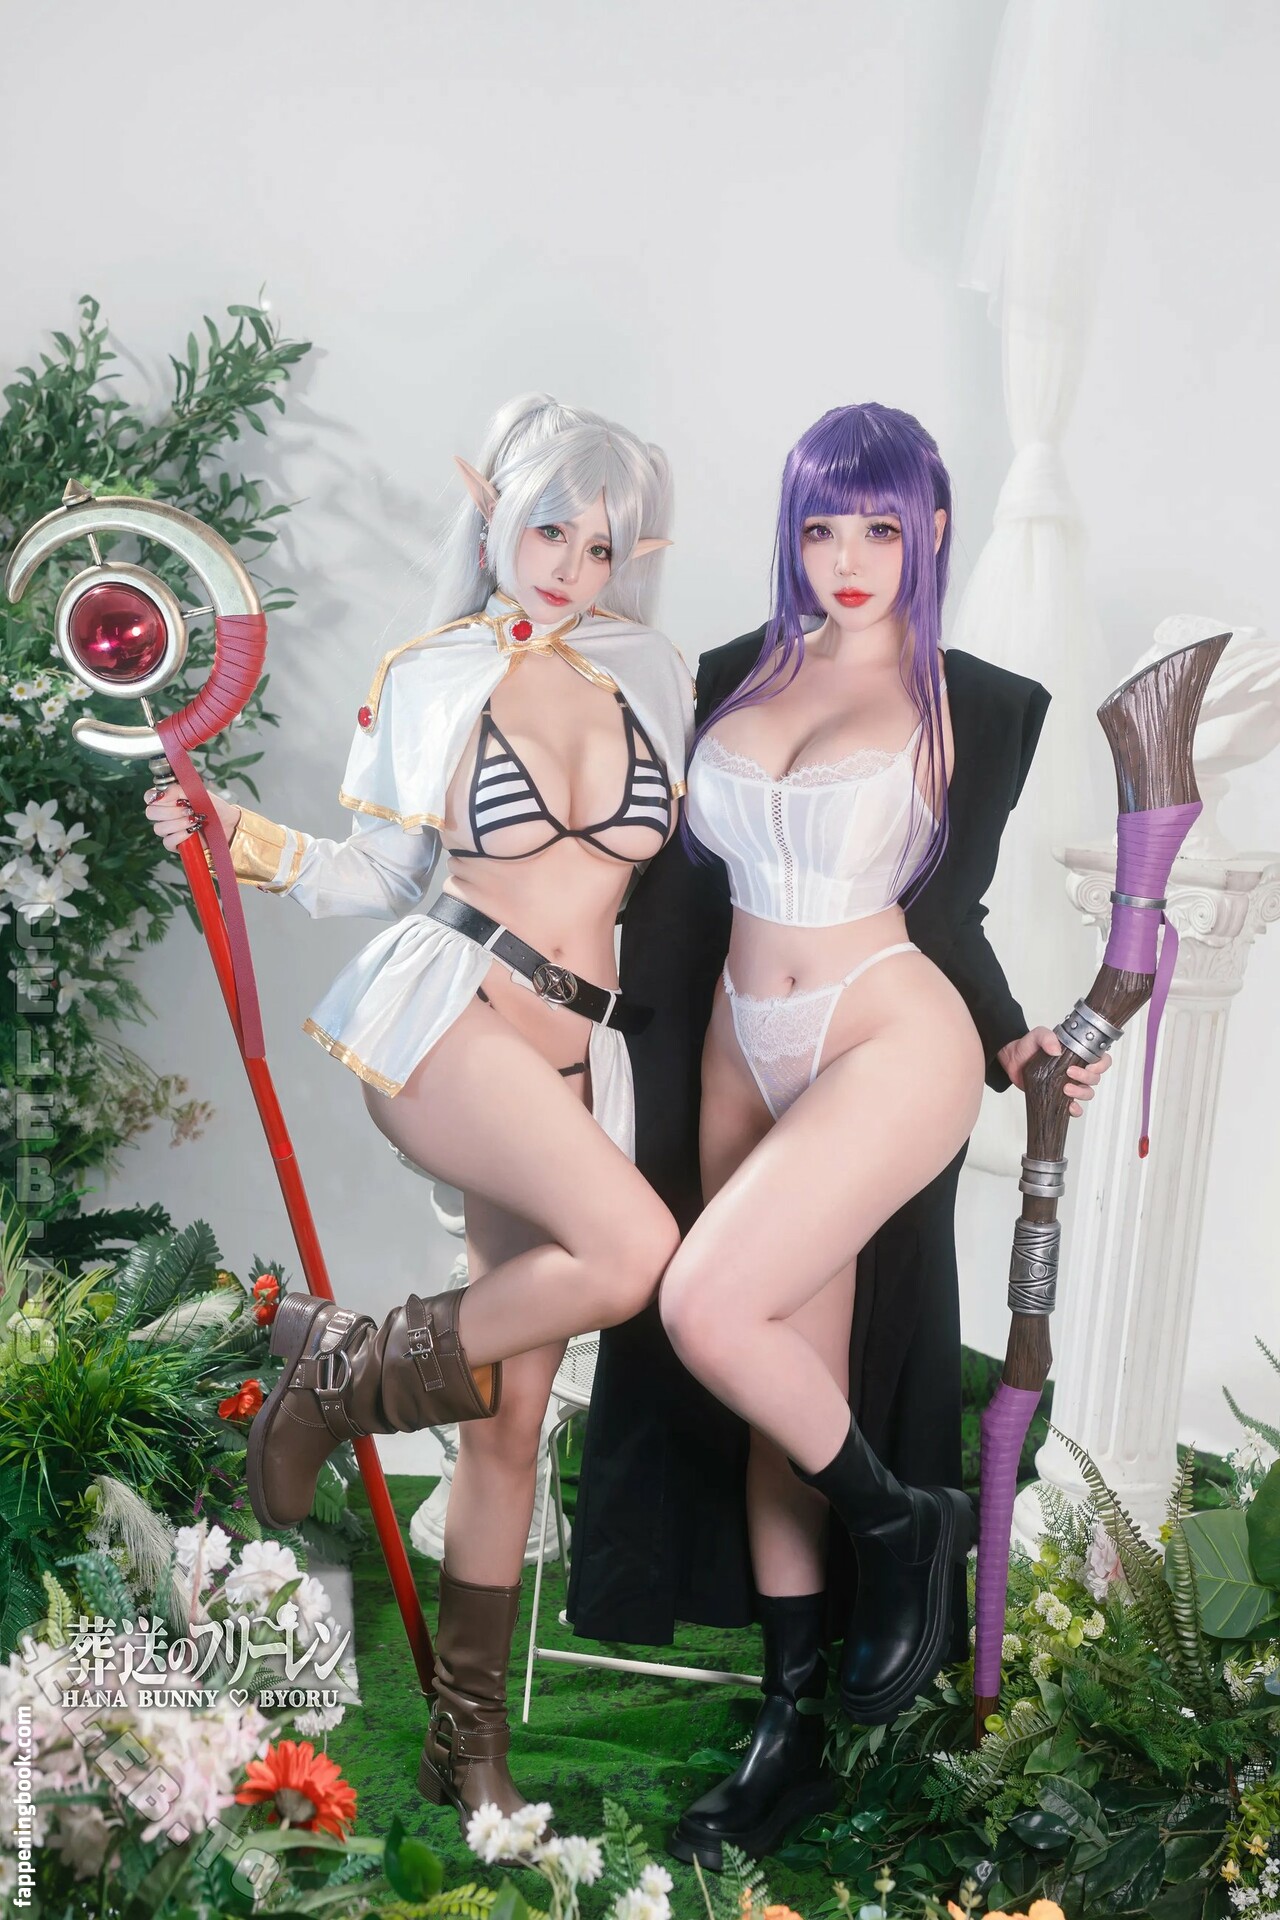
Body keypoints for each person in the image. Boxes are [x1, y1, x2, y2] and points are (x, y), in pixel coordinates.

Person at [565, 402, 1107, 1869]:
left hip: (886, 1028)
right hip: (739, 1038)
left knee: (704, 1303)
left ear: (933, 528)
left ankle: (901, 1522)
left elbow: (953, 910)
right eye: (820, 527)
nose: (849, 559)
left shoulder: (972, 702)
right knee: (770, 1377)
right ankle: (788, 1724)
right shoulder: (733, 673)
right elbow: (653, 866)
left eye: (879, 526)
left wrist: (1012, 1036)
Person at [145, 393, 694, 1833]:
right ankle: (343, 1373)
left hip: (577, 1056)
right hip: (452, 1018)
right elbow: (379, 879)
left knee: (510, 1415)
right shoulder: (434, 672)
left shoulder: (654, 673)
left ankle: (467, 1740)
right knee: (633, 1251)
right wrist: (240, 839)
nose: (570, 566)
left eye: (602, 545)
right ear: (493, 514)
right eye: (548, 529)